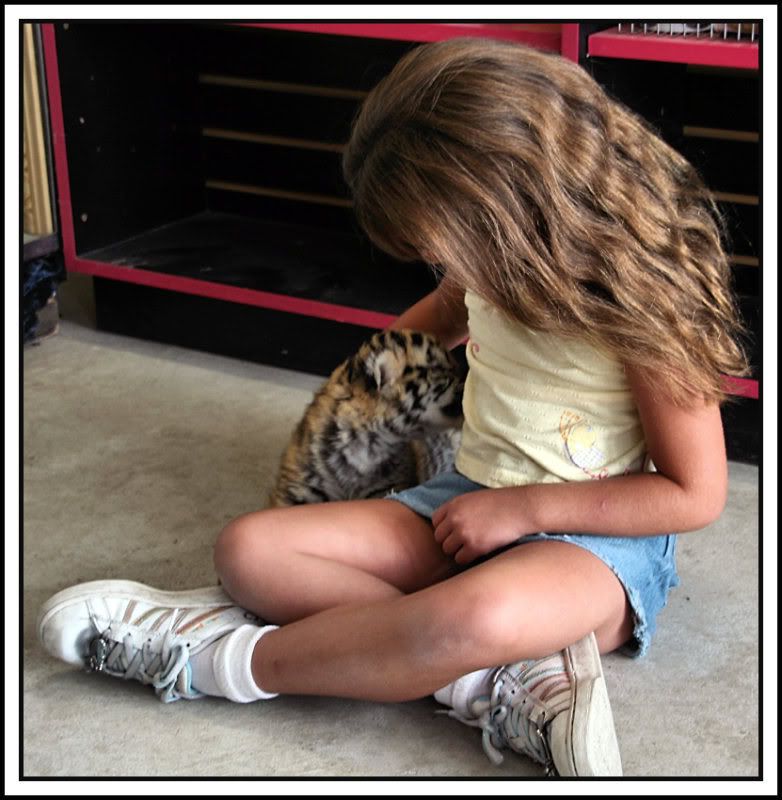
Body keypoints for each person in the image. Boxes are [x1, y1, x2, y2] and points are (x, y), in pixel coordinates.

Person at [37, 37, 750, 777]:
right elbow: (444, 309)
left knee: (477, 615)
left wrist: (526, 510)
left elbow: (694, 494)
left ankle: (221, 657)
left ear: (514, 207)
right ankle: (492, 676)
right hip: (468, 499)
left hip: (594, 546)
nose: (448, 270)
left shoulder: (649, 299)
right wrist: (374, 377)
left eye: (449, 249)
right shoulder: (498, 259)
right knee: (252, 550)